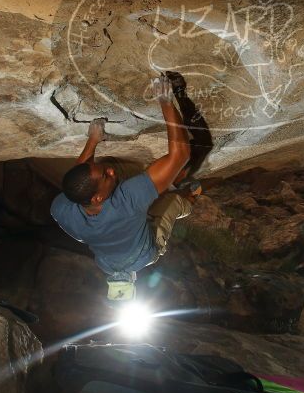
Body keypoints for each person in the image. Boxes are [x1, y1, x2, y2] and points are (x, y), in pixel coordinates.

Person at [49, 74, 199, 287]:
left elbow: (76, 179)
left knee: (146, 194)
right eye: (105, 175)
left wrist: (92, 140)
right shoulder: (127, 200)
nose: (110, 170)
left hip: (109, 261)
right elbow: (181, 154)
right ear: (98, 196)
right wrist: (165, 100)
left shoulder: (61, 209)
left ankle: (121, 278)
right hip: (144, 253)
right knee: (172, 202)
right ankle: (190, 200)